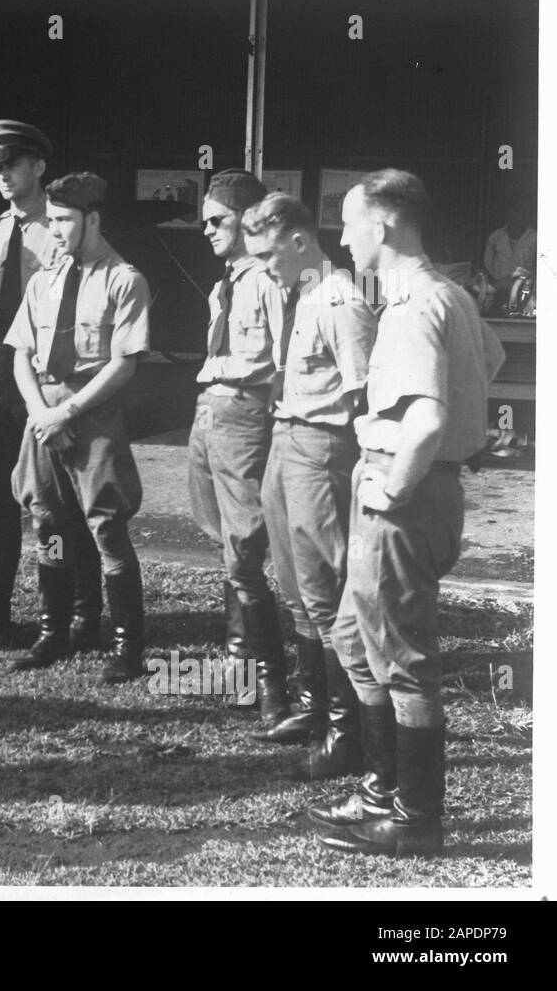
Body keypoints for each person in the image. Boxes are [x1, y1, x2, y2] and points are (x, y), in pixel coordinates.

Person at [310, 169, 504, 857]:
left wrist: (395, 485)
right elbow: (491, 358)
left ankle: (415, 817)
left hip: (402, 496)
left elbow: (425, 417)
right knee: (352, 639)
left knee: (403, 659)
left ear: (383, 224)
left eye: (348, 221)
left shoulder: (417, 303)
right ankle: (380, 788)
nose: (341, 236)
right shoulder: (447, 296)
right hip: (419, 489)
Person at [0, 120, 103, 650]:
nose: (2, 176)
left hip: (50, 371)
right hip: (1, 370)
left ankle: (79, 614)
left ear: (38, 167)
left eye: (11, 165)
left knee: (64, 497)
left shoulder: (63, 223)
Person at [242, 193, 376, 773]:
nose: (264, 267)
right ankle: (315, 707)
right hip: (287, 437)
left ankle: (348, 735)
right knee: (294, 583)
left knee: (324, 587)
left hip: (323, 447)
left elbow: (362, 391)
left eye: (269, 254)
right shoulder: (304, 291)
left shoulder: (340, 298)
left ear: (299, 241)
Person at [5, 172, 150, 680]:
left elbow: (123, 364)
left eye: (65, 220)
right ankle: (55, 630)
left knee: (106, 525)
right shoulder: (43, 281)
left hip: (94, 414)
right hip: (43, 415)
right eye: (51, 220)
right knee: (48, 521)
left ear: (92, 219)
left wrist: (66, 414)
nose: (56, 230)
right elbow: (21, 353)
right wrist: (41, 414)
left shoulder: (123, 280)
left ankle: (127, 646)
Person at [187, 169, 293, 724]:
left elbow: (278, 359)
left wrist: (218, 372)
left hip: (244, 413)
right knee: (220, 532)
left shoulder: (267, 280)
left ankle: (270, 682)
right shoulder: (222, 283)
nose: (206, 230)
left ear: (247, 219)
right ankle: (239, 660)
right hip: (211, 412)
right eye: (204, 221)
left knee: (245, 547)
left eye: (217, 220)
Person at [481, 195, 536, 315]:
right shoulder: (496, 236)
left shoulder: (534, 237)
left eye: (525, 211)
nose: (521, 215)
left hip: (524, 293)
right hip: (498, 291)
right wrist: (498, 279)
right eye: (518, 210)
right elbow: (487, 262)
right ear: (510, 213)